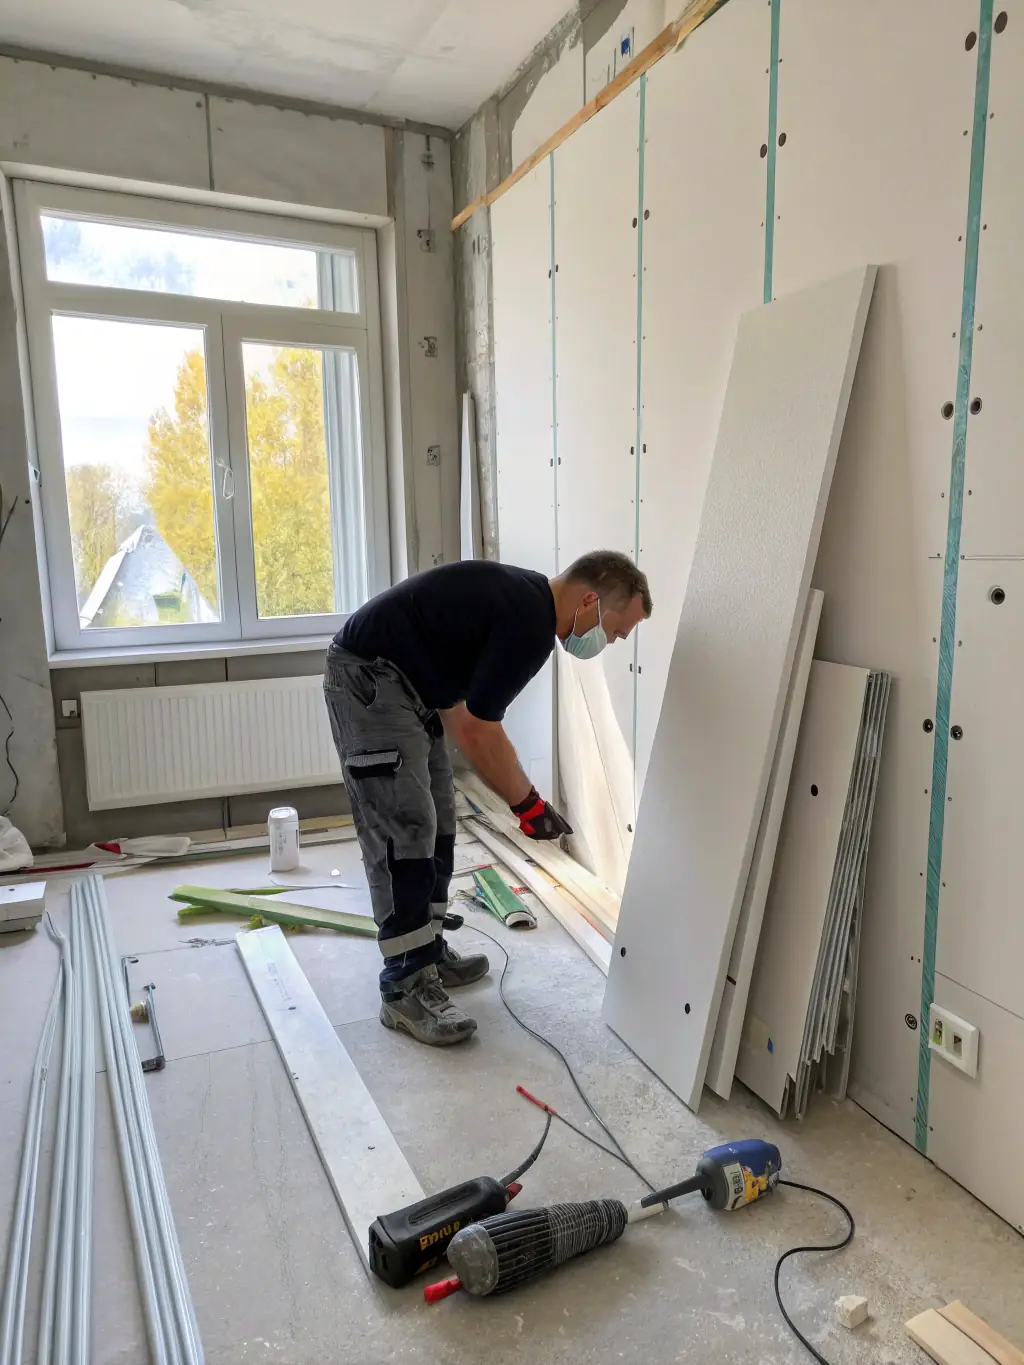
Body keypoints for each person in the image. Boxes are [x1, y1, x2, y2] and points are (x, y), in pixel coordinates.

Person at [323, 549, 652, 1047]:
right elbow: (479, 733)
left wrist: (523, 799)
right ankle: (405, 986)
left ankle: (427, 952)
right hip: (370, 680)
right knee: (404, 829)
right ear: (590, 602)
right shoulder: (529, 623)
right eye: (615, 632)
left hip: (410, 688)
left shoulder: (526, 602)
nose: (608, 643)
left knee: (438, 819)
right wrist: (529, 806)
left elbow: (466, 712)